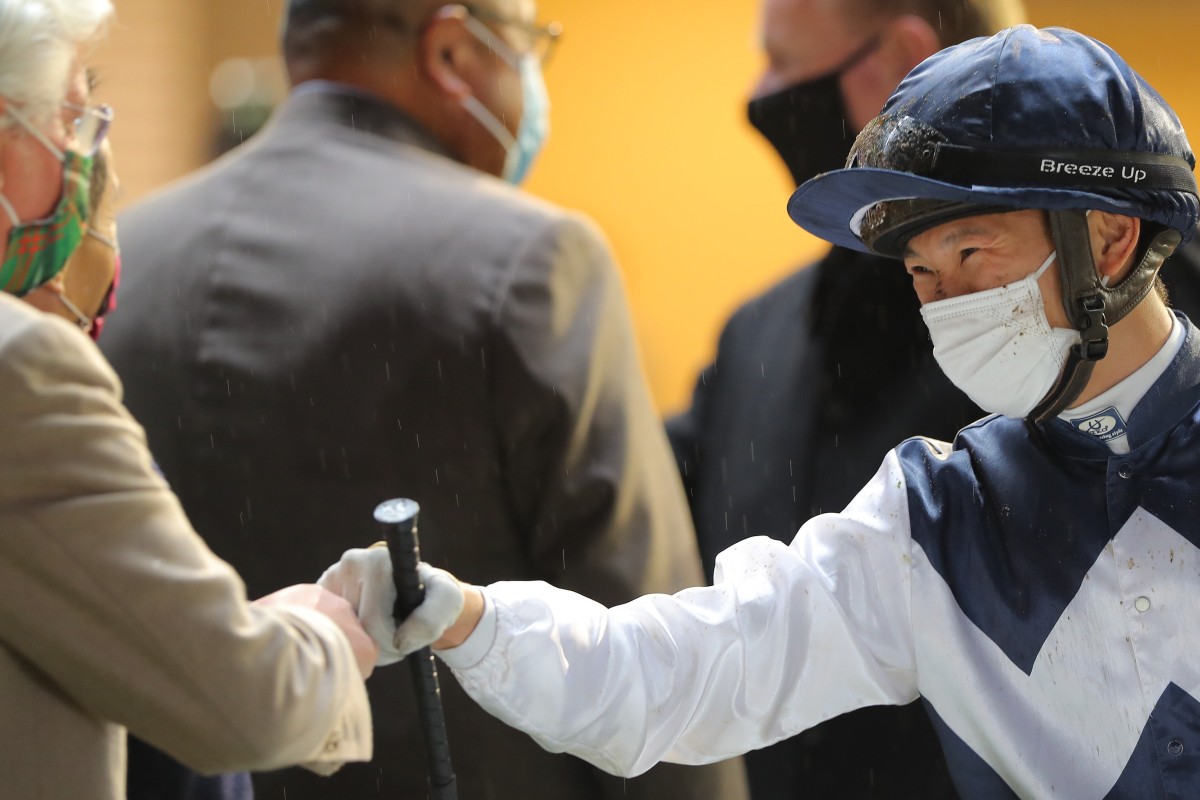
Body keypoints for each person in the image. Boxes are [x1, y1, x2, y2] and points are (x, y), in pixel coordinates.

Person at [325, 25, 1200, 799]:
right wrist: (472, 622)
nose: (949, 303)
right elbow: (685, 670)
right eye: (922, 274)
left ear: (1111, 239)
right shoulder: (932, 521)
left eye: (972, 252)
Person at [100, 0, 748, 797]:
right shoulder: (527, 261)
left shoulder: (127, 259)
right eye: (528, 46)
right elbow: (650, 653)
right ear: (451, 54)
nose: (531, 83)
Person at [0, 1, 381, 798]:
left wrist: (233, 632)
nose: (90, 158)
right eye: (72, 115)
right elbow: (244, 705)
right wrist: (319, 635)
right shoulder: (22, 372)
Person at [668, 2, 1023, 795]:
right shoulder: (759, 335)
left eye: (784, 62)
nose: (760, 93)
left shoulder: (1118, 319)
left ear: (897, 58)